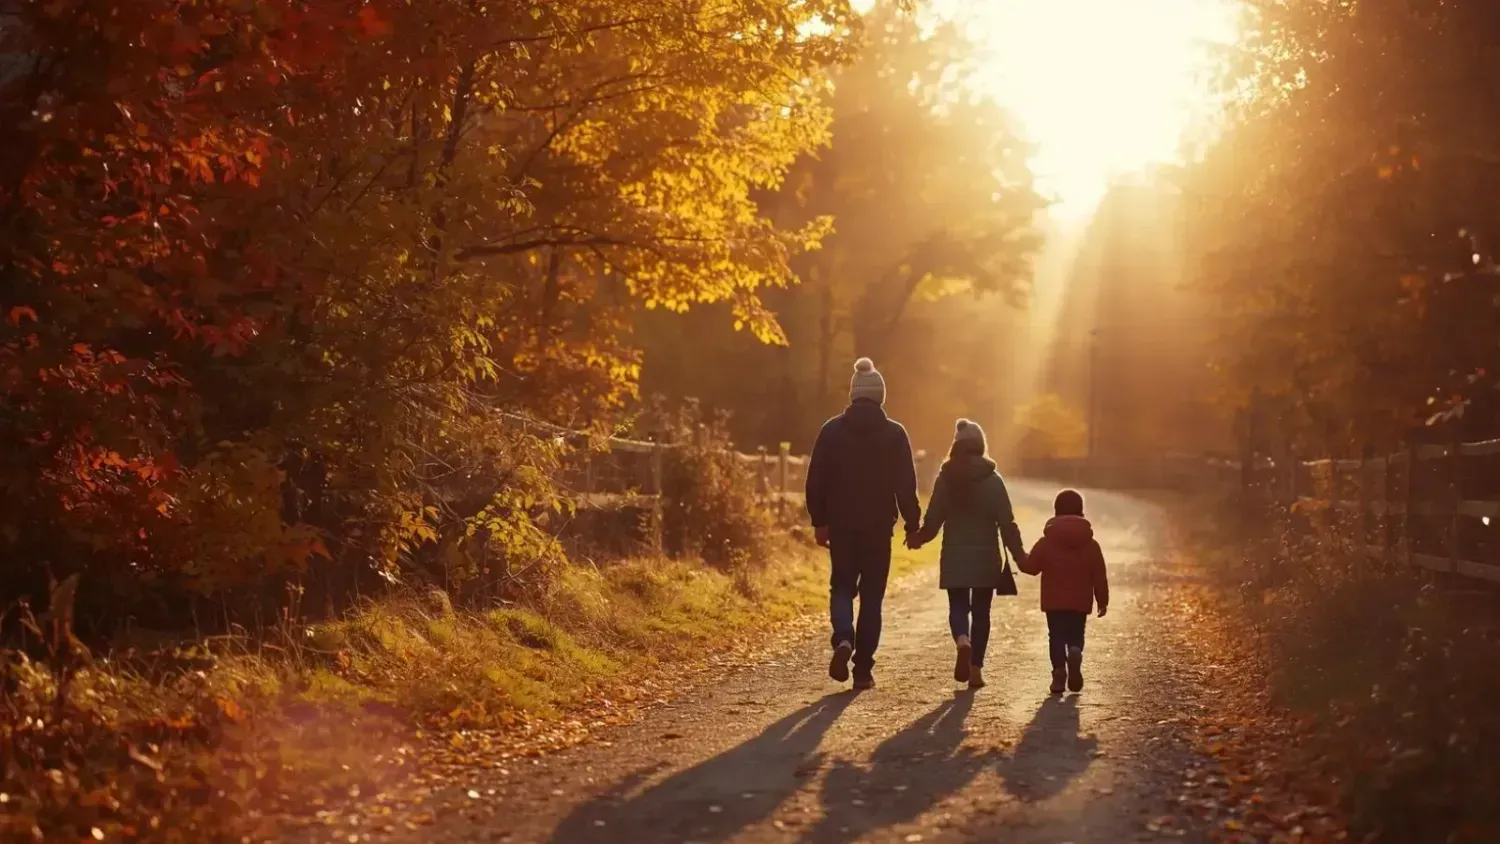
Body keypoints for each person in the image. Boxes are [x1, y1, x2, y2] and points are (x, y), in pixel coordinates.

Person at [805, 357, 921, 690]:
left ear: (854, 394)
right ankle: (863, 671)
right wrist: (912, 525)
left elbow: (816, 480)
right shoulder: (895, 434)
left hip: (841, 526)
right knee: (871, 598)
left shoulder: (831, 431)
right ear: (880, 396)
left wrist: (820, 520)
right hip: (877, 528)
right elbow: (905, 484)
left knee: (841, 586)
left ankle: (843, 637)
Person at [909, 419, 1027, 689]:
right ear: (981, 446)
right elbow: (1007, 523)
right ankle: (975, 669)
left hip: (955, 556)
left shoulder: (946, 478)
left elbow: (934, 519)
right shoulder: (994, 480)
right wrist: (1020, 555)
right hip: (986, 559)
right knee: (982, 612)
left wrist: (918, 538)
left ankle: (962, 639)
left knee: (958, 606)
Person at [1017, 488, 1110, 694]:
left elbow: (1031, 567)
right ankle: (1075, 650)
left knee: (1056, 635)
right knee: (1076, 632)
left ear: (1056, 511)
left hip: (1054, 600)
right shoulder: (1091, 544)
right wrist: (1102, 601)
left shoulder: (1047, 541)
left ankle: (1059, 670)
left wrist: (1017, 553)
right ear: (1081, 511)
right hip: (1080, 600)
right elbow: (1099, 575)